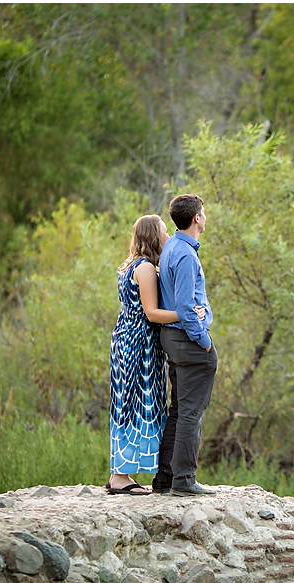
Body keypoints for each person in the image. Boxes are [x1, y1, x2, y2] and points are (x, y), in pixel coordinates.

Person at [107, 215, 205, 495]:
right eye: (164, 230)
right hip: (139, 343)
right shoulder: (146, 268)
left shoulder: (129, 265)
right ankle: (120, 477)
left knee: (126, 405)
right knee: (136, 406)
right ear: (154, 235)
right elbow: (151, 313)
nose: (168, 235)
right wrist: (187, 315)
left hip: (126, 338)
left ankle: (120, 473)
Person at [154, 193, 218, 496]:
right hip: (188, 341)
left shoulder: (172, 246)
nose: (205, 216)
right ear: (197, 218)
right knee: (191, 412)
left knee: (178, 410)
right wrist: (204, 341)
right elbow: (184, 306)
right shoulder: (186, 255)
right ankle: (184, 480)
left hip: (174, 339)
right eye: (203, 212)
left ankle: (165, 479)